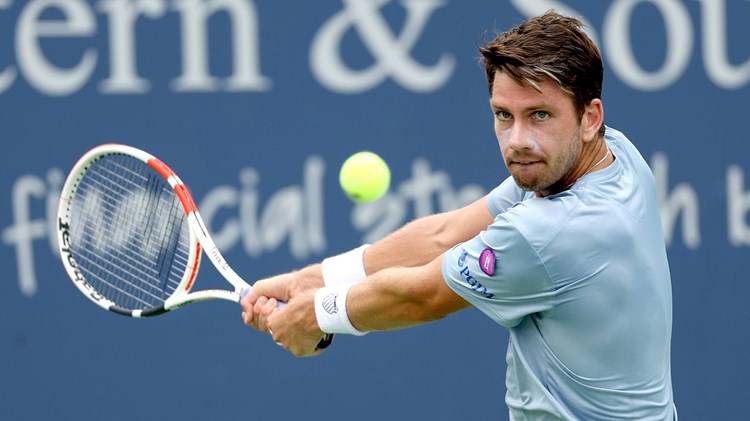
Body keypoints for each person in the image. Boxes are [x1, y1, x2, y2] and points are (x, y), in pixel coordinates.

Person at [241, 10, 676, 420]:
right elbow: (444, 235)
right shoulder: (613, 154)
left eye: (539, 115)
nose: (517, 140)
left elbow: (419, 296)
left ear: (589, 117)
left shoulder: (550, 233)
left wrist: (315, 313)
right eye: (504, 115)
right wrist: (313, 281)